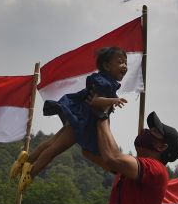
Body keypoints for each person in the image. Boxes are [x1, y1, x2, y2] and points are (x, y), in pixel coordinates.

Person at [8, 47, 129, 193]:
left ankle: (25, 161)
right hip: (82, 122)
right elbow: (95, 101)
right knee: (54, 149)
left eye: (125, 63)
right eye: (120, 62)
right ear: (106, 66)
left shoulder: (104, 80)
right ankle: (30, 174)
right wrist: (112, 101)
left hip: (79, 116)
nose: (124, 66)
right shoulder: (106, 84)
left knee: (51, 143)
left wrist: (110, 101)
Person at [95, 110, 178, 204]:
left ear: (162, 147)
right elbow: (90, 152)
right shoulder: (132, 168)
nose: (146, 131)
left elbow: (111, 158)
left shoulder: (157, 169)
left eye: (154, 131)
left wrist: (102, 114)